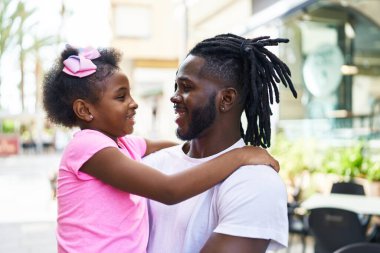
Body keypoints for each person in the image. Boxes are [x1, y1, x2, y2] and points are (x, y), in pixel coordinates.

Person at [42, 45, 279, 253]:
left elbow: (159, 146)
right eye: (121, 97)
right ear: (85, 110)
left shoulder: (121, 145)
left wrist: (193, 148)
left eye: (186, 87)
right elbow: (169, 190)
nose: (133, 103)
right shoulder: (87, 146)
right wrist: (242, 154)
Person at [143, 33, 298, 253]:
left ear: (226, 99)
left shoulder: (256, 182)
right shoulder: (153, 164)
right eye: (176, 86)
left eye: (186, 87)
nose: (174, 97)